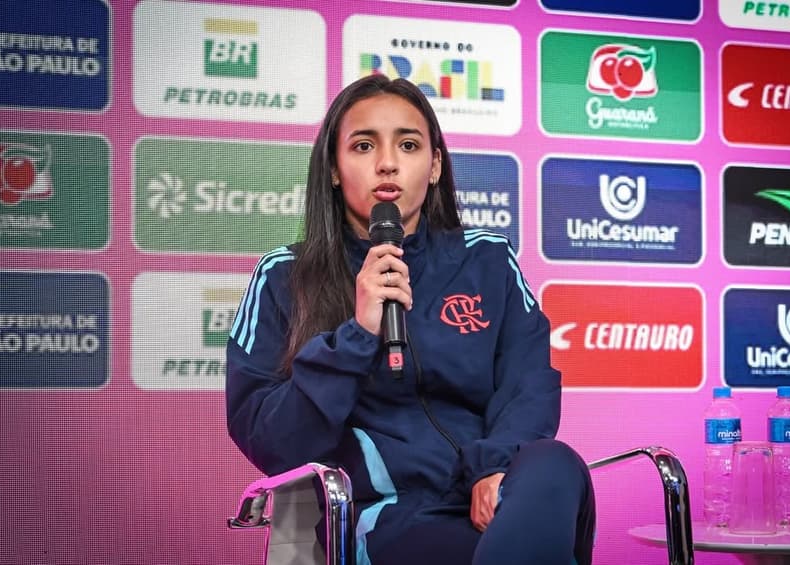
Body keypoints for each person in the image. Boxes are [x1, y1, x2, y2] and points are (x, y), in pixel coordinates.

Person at [226, 74, 595, 564]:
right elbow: (269, 438)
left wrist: (495, 467)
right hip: (387, 517)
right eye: (362, 145)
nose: (387, 162)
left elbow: (529, 384)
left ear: (435, 164)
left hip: (499, 494)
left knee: (556, 463)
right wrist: (357, 336)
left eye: (408, 143)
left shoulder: (486, 261)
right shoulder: (285, 277)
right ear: (334, 169)